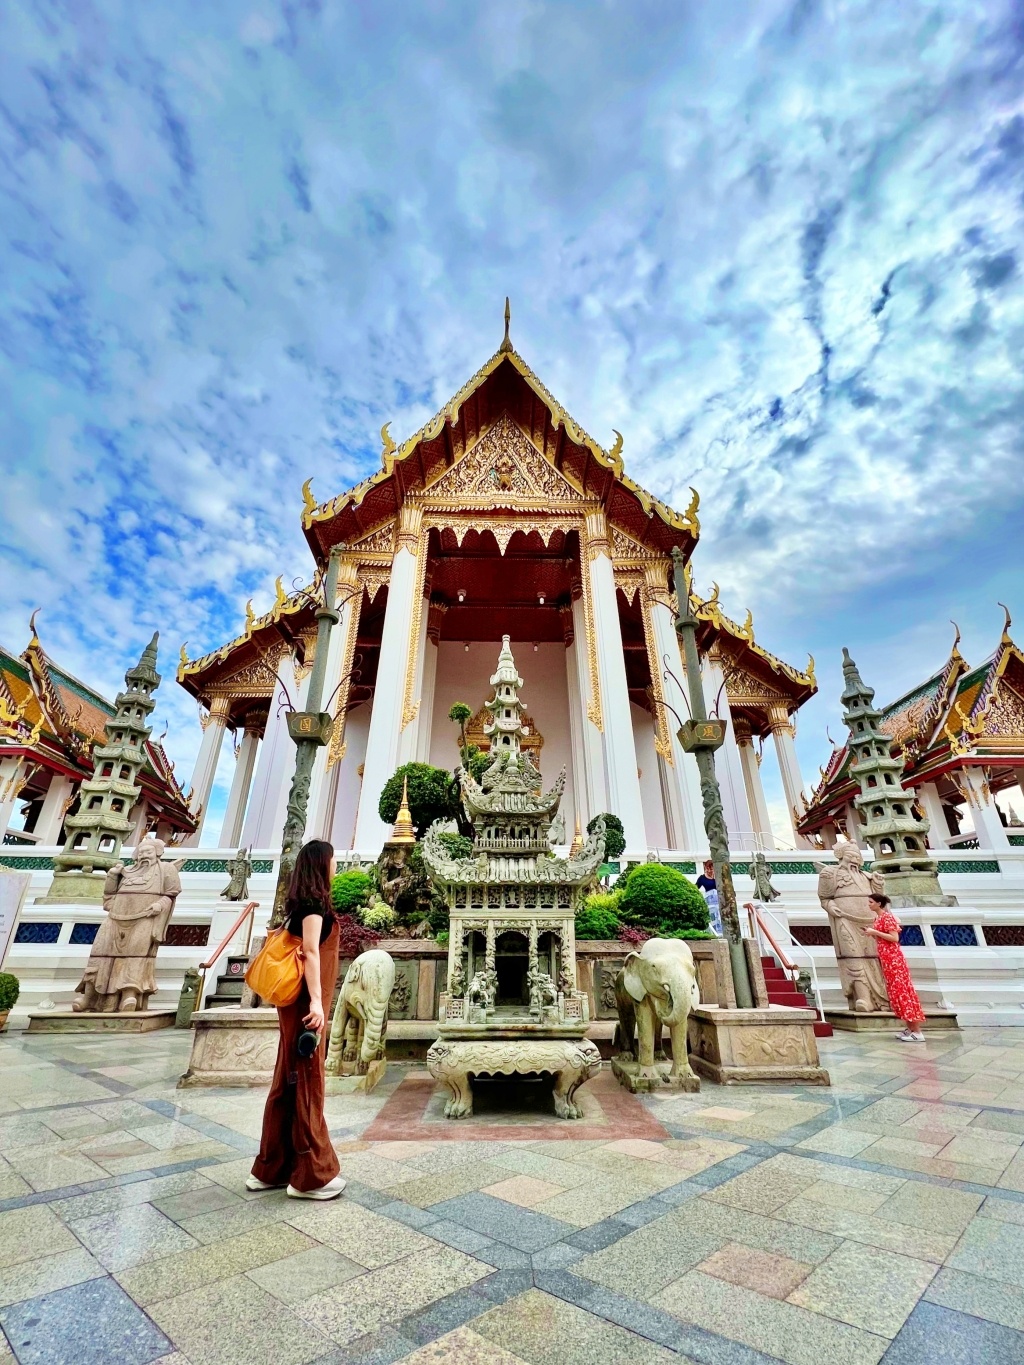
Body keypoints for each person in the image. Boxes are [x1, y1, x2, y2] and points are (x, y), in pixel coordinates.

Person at [248, 839, 346, 1199]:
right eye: (333, 861)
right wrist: (318, 1005)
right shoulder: (314, 907)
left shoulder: (298, 906)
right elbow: (309, 952)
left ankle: (270, 1169)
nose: (336, 866)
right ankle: (311, 1176)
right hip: (306, 1006)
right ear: (323, 864)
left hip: (295, 1007)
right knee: (306, 1081)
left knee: (287, 1080)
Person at [863, 892, 926, 1043]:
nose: (869, 904)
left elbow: (894, 938)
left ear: (879, 904)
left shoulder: (887, 917)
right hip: (887, 960)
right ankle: (910, 1028)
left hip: (894, 959)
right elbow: (882, 938)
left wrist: (874, 932)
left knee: (903, 992)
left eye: (871, 902)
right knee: (897, 993)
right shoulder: (878, 918)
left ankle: (917, 1031)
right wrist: (872, 933)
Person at [696, 858, 722, 936]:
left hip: (719, 901)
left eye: (711, 869)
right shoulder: (702, 878)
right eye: (708, 869)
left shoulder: (718, 876)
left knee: (719, 918)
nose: (710, 871)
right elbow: (696, 887)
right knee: (712, 918)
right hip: (709, 902)